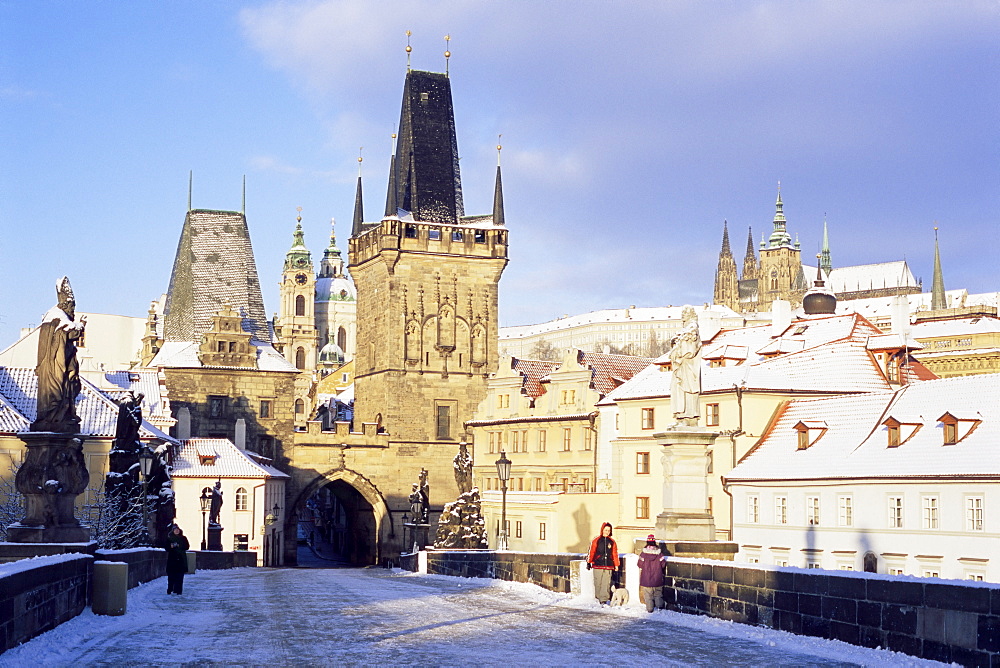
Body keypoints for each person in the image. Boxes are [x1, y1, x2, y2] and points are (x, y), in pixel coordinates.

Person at [586, 522, 619, 605]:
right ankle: (598, 597)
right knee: (598, 582)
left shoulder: (612, 542)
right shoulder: (596, 540)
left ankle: (603, 599)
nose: (607, 532)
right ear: (602, 530)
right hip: (598, 564)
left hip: (608, 564)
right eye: (605, 530)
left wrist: (616, 565)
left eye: (608, 530)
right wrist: (589, 562)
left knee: (606, 582)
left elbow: (614, 553)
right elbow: (592, 551)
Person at [637, 533, 667, 613]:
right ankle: (659, 608)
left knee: (648, 595)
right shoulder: (659, 554)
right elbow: (663, 564)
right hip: (657, 578)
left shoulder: (643, 554)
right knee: (658, 594)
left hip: (646, 579)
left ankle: (650, 609)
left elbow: (639, 564)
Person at [165, 525, 190, 595]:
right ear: (173, 531)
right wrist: (171, 546)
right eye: (175, 529)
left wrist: (180, 546)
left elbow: (187, 546)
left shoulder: (183, 538)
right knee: (171, 576)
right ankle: (170, 589)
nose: (177, 531)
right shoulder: (169, 539)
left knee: (180, 576)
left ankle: (178, 590)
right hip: (172, 560)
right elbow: (167, 548)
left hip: (181, 560)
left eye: (177, 529)